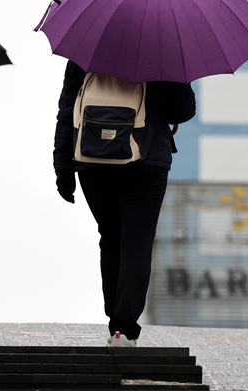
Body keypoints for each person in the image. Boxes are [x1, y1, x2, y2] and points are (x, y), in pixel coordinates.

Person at [53, 60, 196, 347]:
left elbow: (67, 112)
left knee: (111, 238)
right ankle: (123, 328)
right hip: (146, 162)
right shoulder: (162, 53)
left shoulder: (85, 52)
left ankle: (114, 323)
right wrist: (178, 74)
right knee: (137, 244)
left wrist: (63, 170)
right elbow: (182, 111)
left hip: (94, 159)